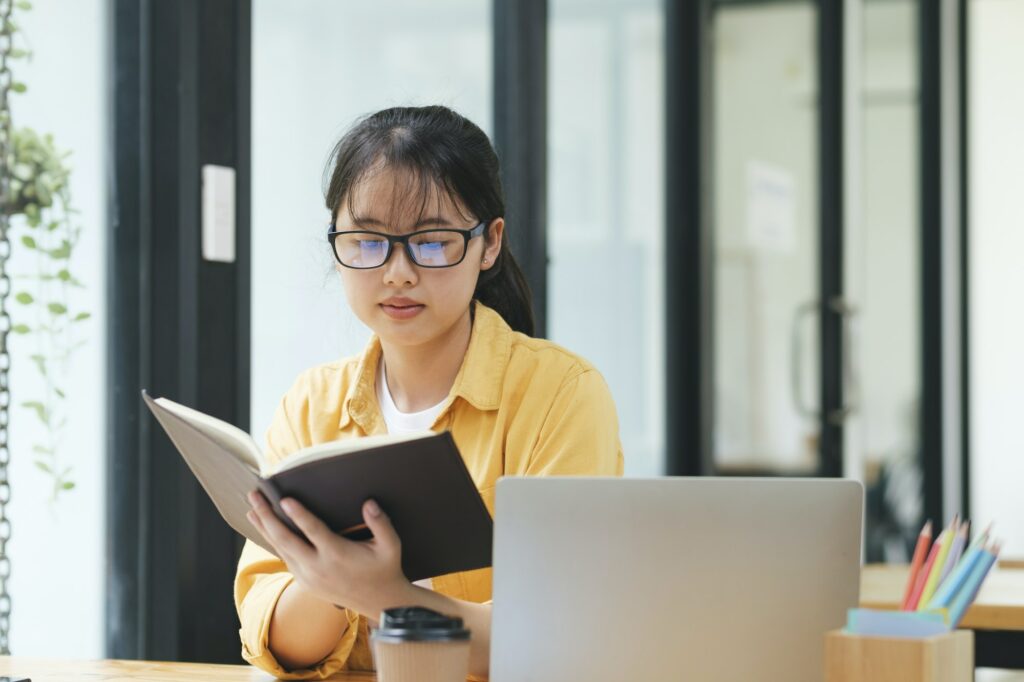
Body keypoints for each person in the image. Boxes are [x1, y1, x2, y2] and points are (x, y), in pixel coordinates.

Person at [235, 105, 623, 680]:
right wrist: (334, 581)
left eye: (433, 242)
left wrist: (382, 593)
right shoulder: (312, 403)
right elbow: (280, 643)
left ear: (489, 244)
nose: (398, 272)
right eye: (368, 241)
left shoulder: (561, 395)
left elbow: (556, 636)